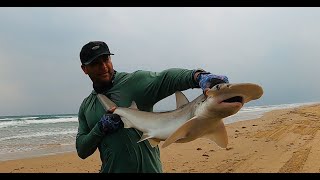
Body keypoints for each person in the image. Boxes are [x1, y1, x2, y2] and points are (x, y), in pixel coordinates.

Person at [76, 40, 229, 173]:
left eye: (106, 59)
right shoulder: (86, 107)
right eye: (96, 63)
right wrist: (100, 129)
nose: (103, 66)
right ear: (84, 69)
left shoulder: (133, 83)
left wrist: (197, 76)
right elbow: (82, 150)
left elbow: (166, 79)